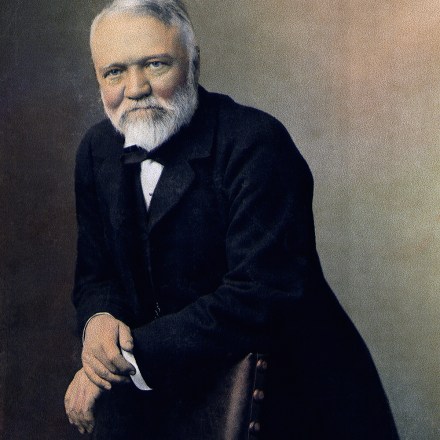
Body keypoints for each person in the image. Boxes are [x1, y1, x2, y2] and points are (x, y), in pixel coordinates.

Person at [64, 0, 399, 438]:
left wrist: (122, 360)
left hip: (295, 401)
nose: (136, 88)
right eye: (114, 72)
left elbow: (259, 296)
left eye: (155, 64)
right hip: (177, 401)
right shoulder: (96, 151)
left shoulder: (257, 142)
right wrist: (98, 325)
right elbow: (96, 274)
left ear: (194, 62)